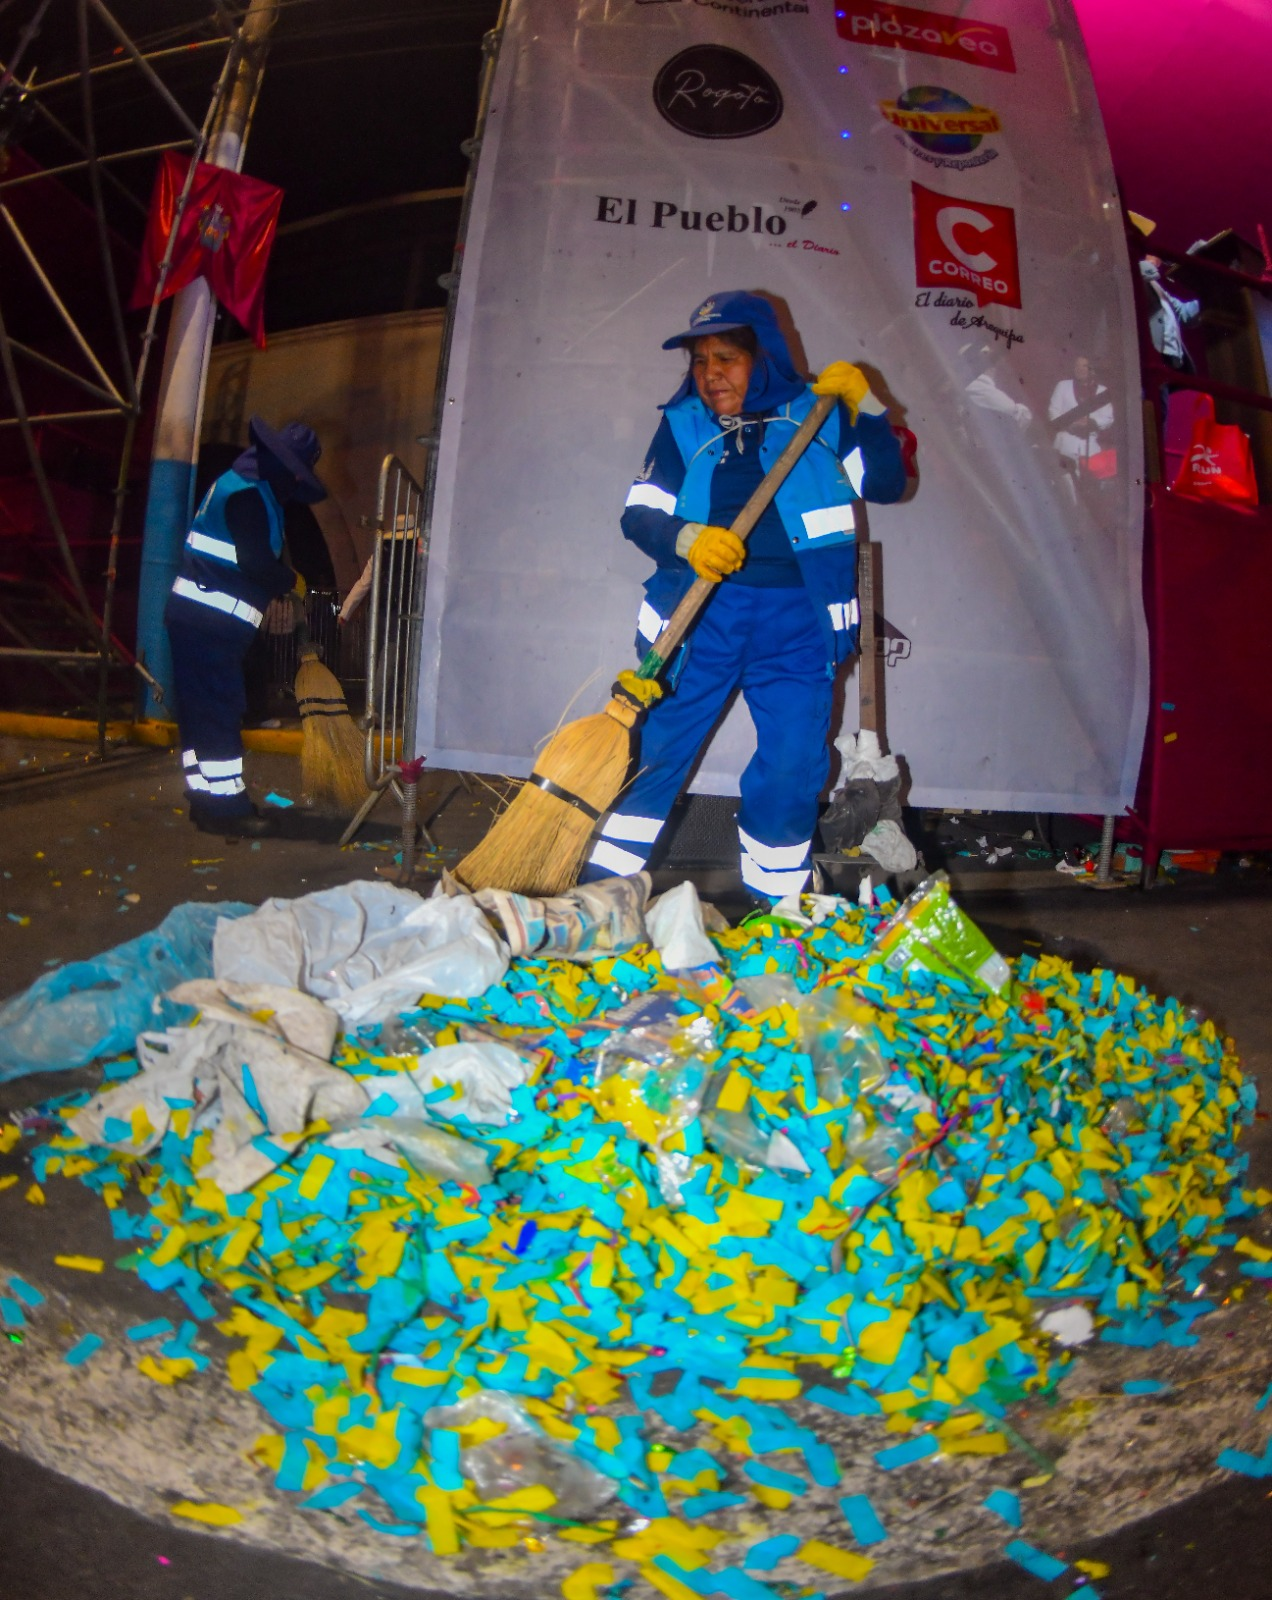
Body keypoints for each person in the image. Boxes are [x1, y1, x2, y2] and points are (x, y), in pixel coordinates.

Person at [579, 290, 906, 902]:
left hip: (798, 626)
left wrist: (869, 407)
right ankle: (600, 896)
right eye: (701, 362)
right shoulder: (682, 424)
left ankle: (775, 908)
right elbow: (639, 513)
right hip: (700, 618)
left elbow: (885, 484)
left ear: (766, 358)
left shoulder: (821, 412)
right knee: (655, 758)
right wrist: (686, 539)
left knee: (790, 769)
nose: (710, 375)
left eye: (726, 358)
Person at [164, 416, 328, 837]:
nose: (294, 484)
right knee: (219, 711)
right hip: (209, 623)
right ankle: (228, 808)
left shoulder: (239, 487)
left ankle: (204, 799)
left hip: (196, 619)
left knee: (200, 712)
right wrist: (290, 580)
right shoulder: (250, 497)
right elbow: (253, 562)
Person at [1049, 355, 1114, 470]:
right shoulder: (1063, 386)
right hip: (1064, 445)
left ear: (1092, 370)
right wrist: (1069, 424)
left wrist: (1091, 422)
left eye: (1084, 366)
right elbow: (1053, 411)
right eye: (1077, 365)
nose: (1080, 369)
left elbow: (1108, 418)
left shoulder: (1102, 391)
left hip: (1090, 448)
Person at [1139, 255, 1199, 370]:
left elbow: (1182, 313)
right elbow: (1136, 274)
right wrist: (1151, 260)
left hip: (1175, 358)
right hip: (1156, 357)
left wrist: (1205, 301)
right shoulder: (1132, 272)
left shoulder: (1155, 285)